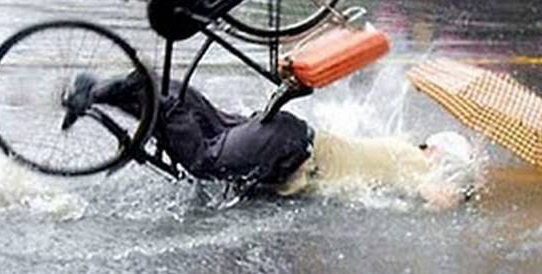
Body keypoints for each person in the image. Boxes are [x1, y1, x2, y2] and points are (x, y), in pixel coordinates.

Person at [72, 70, 478, 208]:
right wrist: (465, 194)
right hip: (284, 148)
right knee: (204, 159)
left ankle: (98, 92)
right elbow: (438, 195)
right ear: (434, 153)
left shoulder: (395, 147)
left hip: (283, 136)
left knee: (205, 122)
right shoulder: (411, 159)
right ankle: (136, 90)